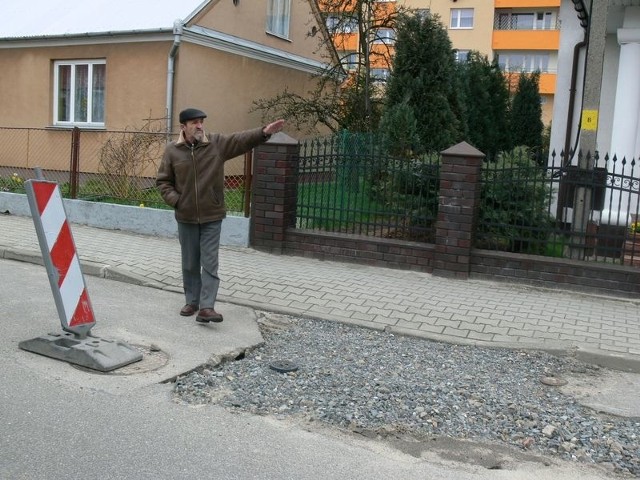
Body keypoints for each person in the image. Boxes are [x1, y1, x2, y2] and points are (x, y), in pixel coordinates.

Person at [156, 108, 285, 323]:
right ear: (183, 127)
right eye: (194, 123)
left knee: (209, 261)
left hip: (211, 215)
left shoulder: (216, 144)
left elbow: (240, 140)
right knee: (189, 262)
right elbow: (163, 181)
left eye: (201, 122)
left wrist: (263, 132)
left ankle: (207, 307)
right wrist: (177, 201)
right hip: (186, 216)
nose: (199, 126)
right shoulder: (172, 151)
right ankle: (192, 301)